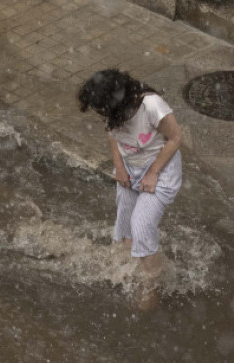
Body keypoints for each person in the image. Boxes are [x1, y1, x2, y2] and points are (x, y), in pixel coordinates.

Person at [78, 69, 183, 311]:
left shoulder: (151, 106)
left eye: (103, 110)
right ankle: (137, 267)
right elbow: (112, 132)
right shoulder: (111, 110)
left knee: (141, 225)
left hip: (160, 170)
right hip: (129, 168)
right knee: (125, 227)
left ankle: (151, 291)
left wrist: (153, 172)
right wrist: (118, 166)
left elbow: (176, 138)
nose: (101, 115)